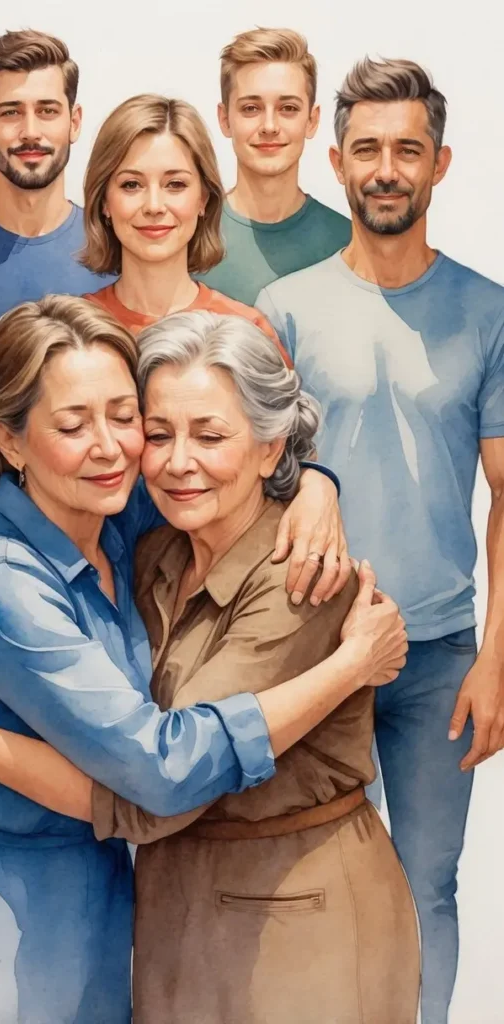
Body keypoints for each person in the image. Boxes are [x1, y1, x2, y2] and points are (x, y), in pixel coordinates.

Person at [0, 296, 407, 1024]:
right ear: (12, 443)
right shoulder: (2, 580)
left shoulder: (126, 525)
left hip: (134, 907)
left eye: (125, 418)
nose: (114, 447)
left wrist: (315, 482)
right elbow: (160, 771)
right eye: (72, 424)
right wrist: (349, 666)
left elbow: (237, 452)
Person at [256, 57, 504, 1024]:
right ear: (338, 160)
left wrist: (496, 658)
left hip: (441, 651)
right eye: (368, 150)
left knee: (425, 886)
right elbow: (260, 483)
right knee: (308, 879)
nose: (387, 168)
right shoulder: (288, 310)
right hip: (313, 643)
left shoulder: (489, 312)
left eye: (408, 149)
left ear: (441, 164)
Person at [81, 93, 351, 594]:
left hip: (213, 599)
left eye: (176, 185)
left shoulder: (245, 329)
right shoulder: (75, 333)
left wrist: (320, 483)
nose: (154, 205)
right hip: (95, 591)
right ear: (102, 199)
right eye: (131, 184)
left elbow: (287, 463)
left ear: (205, 198)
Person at [0, 29, 114, 318]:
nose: (30, 132)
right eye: (11, 113)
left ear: (74, 122)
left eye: (47, 111)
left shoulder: (114, 246)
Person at [199, 27, 351, 305]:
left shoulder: (348, 244)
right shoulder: (189, 235)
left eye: (288, 109)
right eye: (251, 108)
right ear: (224, 119)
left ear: (312, 120)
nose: (269, 126)